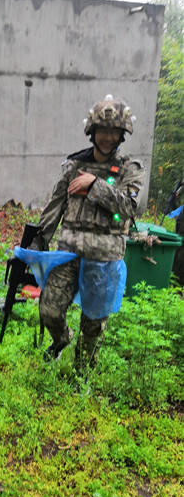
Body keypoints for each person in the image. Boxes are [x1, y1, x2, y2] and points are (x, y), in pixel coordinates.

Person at [30, 94, 146, 368]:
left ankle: (82, 374)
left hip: (104, 258)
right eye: (102, 131)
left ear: (122, 134)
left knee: (93, 324)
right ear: (91, 132)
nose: (107, 137)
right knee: (49, 309)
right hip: (68, 253)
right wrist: (38, 242)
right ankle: (61, 339)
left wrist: (94, 184)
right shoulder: (73, 166)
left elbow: (129, 206)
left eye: (113, 132)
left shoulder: (130, 169)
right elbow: (54, 207)